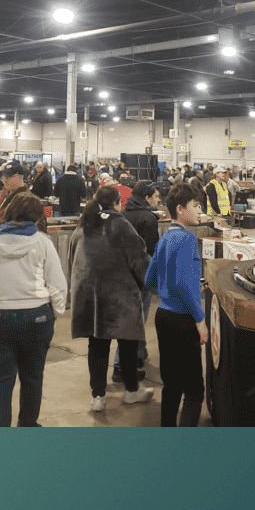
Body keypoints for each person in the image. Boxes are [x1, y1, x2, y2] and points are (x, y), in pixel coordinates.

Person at [0, 192, 67, 427]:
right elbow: (58, 284)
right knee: (32, 378)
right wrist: (55, 312)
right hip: (36, 317)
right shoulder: (42, 242)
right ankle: (27, 427)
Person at [70, 186, 154, 412]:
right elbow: (139, 258)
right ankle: (131, 390)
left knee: (97, 345)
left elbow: (73, 258)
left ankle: (98, 396)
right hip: (120, 297)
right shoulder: (121, 224)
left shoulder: (84, 223)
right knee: (128, 343)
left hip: (91, 297)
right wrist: (152, 283)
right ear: (117, 203)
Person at [145, 183, 208, 427]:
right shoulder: (187, 240)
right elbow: (183, 283)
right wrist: (200, 320)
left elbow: (151, 279)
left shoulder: (164, 240)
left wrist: (170, 290)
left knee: (171, 385)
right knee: (194, 390)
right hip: (183, 320)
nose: (200, 210)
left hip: (163, 316)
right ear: (181, 209)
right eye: (196, 205)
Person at [112, 181, 161, 382]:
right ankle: (120, 366)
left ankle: (138, 354)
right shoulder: (149, 219)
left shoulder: (123, 215)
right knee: (136, 319)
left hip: (122, 275)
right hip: (141, 277)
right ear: (148, 198)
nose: (159, 200)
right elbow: (150, 252)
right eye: (157, 196)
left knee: (134, 319)